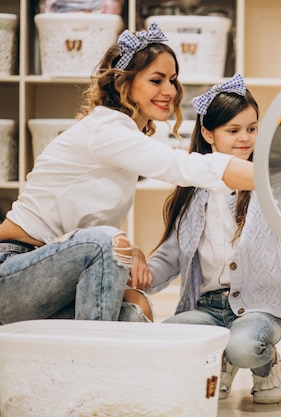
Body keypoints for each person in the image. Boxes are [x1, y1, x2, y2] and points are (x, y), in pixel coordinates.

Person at [0, 23, 255, 325]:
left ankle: (87, 363)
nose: (170, 91)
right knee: (105, 242)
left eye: (172, 80)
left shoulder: (123, 136)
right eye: (156, 80)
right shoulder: (105, 131)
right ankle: (94, 362)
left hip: (54, 271)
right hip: (13, 268)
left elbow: (79, 229)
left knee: (136, 313)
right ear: (125, 83)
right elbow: (185, 166)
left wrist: (127, 249)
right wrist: (278, 179)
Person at [147, 74, 281, 404]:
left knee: (245, 346)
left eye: (251, 128)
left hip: (258, 308)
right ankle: (222, 359)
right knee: (164, 339)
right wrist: (139, 278)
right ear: (208, 134)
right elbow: (170, 258)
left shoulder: (267, 186)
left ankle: (265, 364)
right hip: (207, 308)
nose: (245, 138)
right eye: (233, 131)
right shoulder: (191, 195)